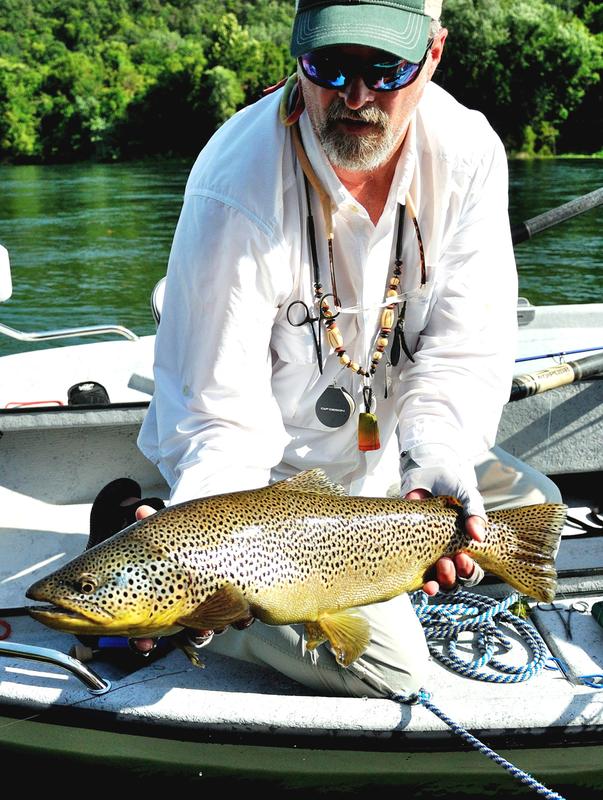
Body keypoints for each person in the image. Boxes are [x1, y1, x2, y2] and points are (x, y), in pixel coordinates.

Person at [125, 0, 562, 698]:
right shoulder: (233, 188)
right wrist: (200, 565)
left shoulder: (469, 155)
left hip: (386, 479)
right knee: (391, 672)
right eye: (327, 66)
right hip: (261, 494)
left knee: (535, 510)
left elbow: (457, 356)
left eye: (384, 68)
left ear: (434, 54)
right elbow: (217, 419)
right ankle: (152, 535)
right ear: (295, 52)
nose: (354, 97)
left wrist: (440, 462)